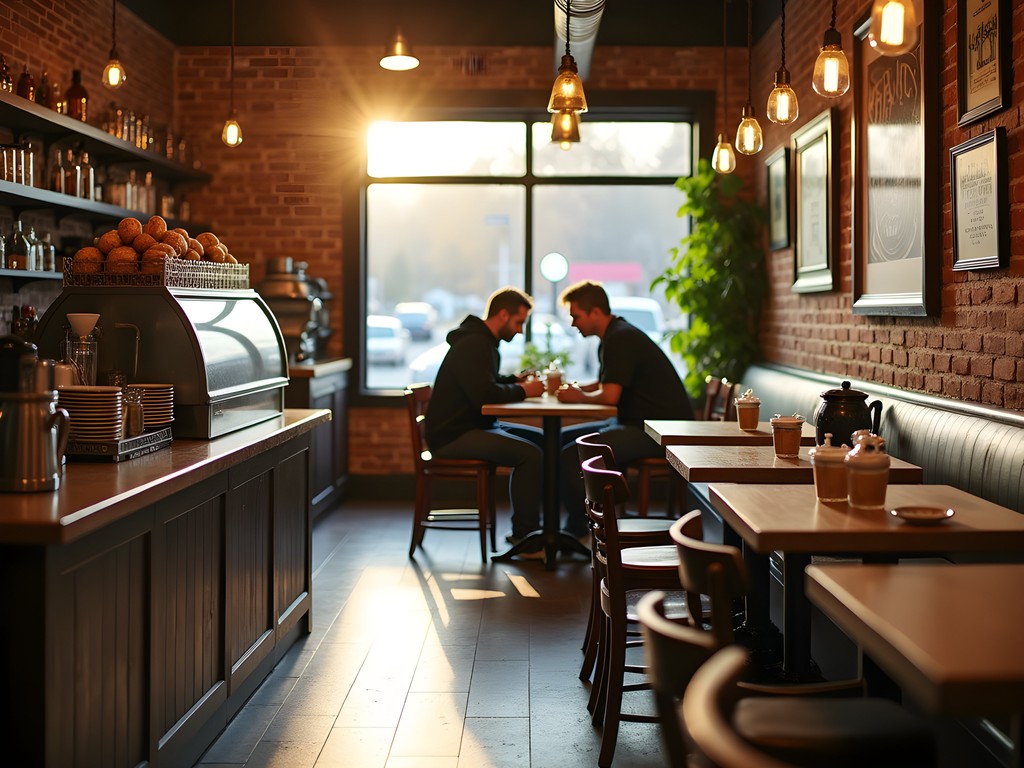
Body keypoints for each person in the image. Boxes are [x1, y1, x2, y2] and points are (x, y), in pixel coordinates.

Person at [556, 280, 694, 537]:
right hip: (644, 425)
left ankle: (580, 528)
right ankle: (575, 524)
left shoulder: (619, 339)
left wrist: (578, 396)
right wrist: (580, 389)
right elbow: (609, 382)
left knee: (569, 453)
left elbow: (609, 396)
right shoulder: (615, 335)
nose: (573, 323)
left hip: (660, 433)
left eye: (576, 316)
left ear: (595, 312)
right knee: (563, 439)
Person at [425, 286, 547, 548]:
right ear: (503, 315)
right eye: (519, 322)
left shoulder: (480, 341)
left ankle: (544, 528)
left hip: (468, 428)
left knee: (542, 440)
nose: (520, 330)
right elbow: (483, 394)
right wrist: (524, 390)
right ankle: (526, 536)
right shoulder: (475, 344)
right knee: (531, 455)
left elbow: (483, 382)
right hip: (453, 436)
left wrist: (513, 380)